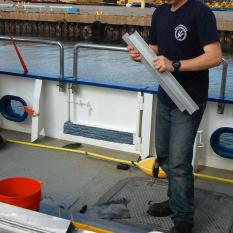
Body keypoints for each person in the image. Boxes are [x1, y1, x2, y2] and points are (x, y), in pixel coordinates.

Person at [128, 0, 222, 232]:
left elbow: (214, 57)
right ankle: (175, 200)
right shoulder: (160, 13)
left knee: (179, 161)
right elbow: (155, 49)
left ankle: (183, 219)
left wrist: (175, 65)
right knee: (166, 155)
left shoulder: (200, 12)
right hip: (166, 95)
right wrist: (139, 53)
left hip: (189, 99)